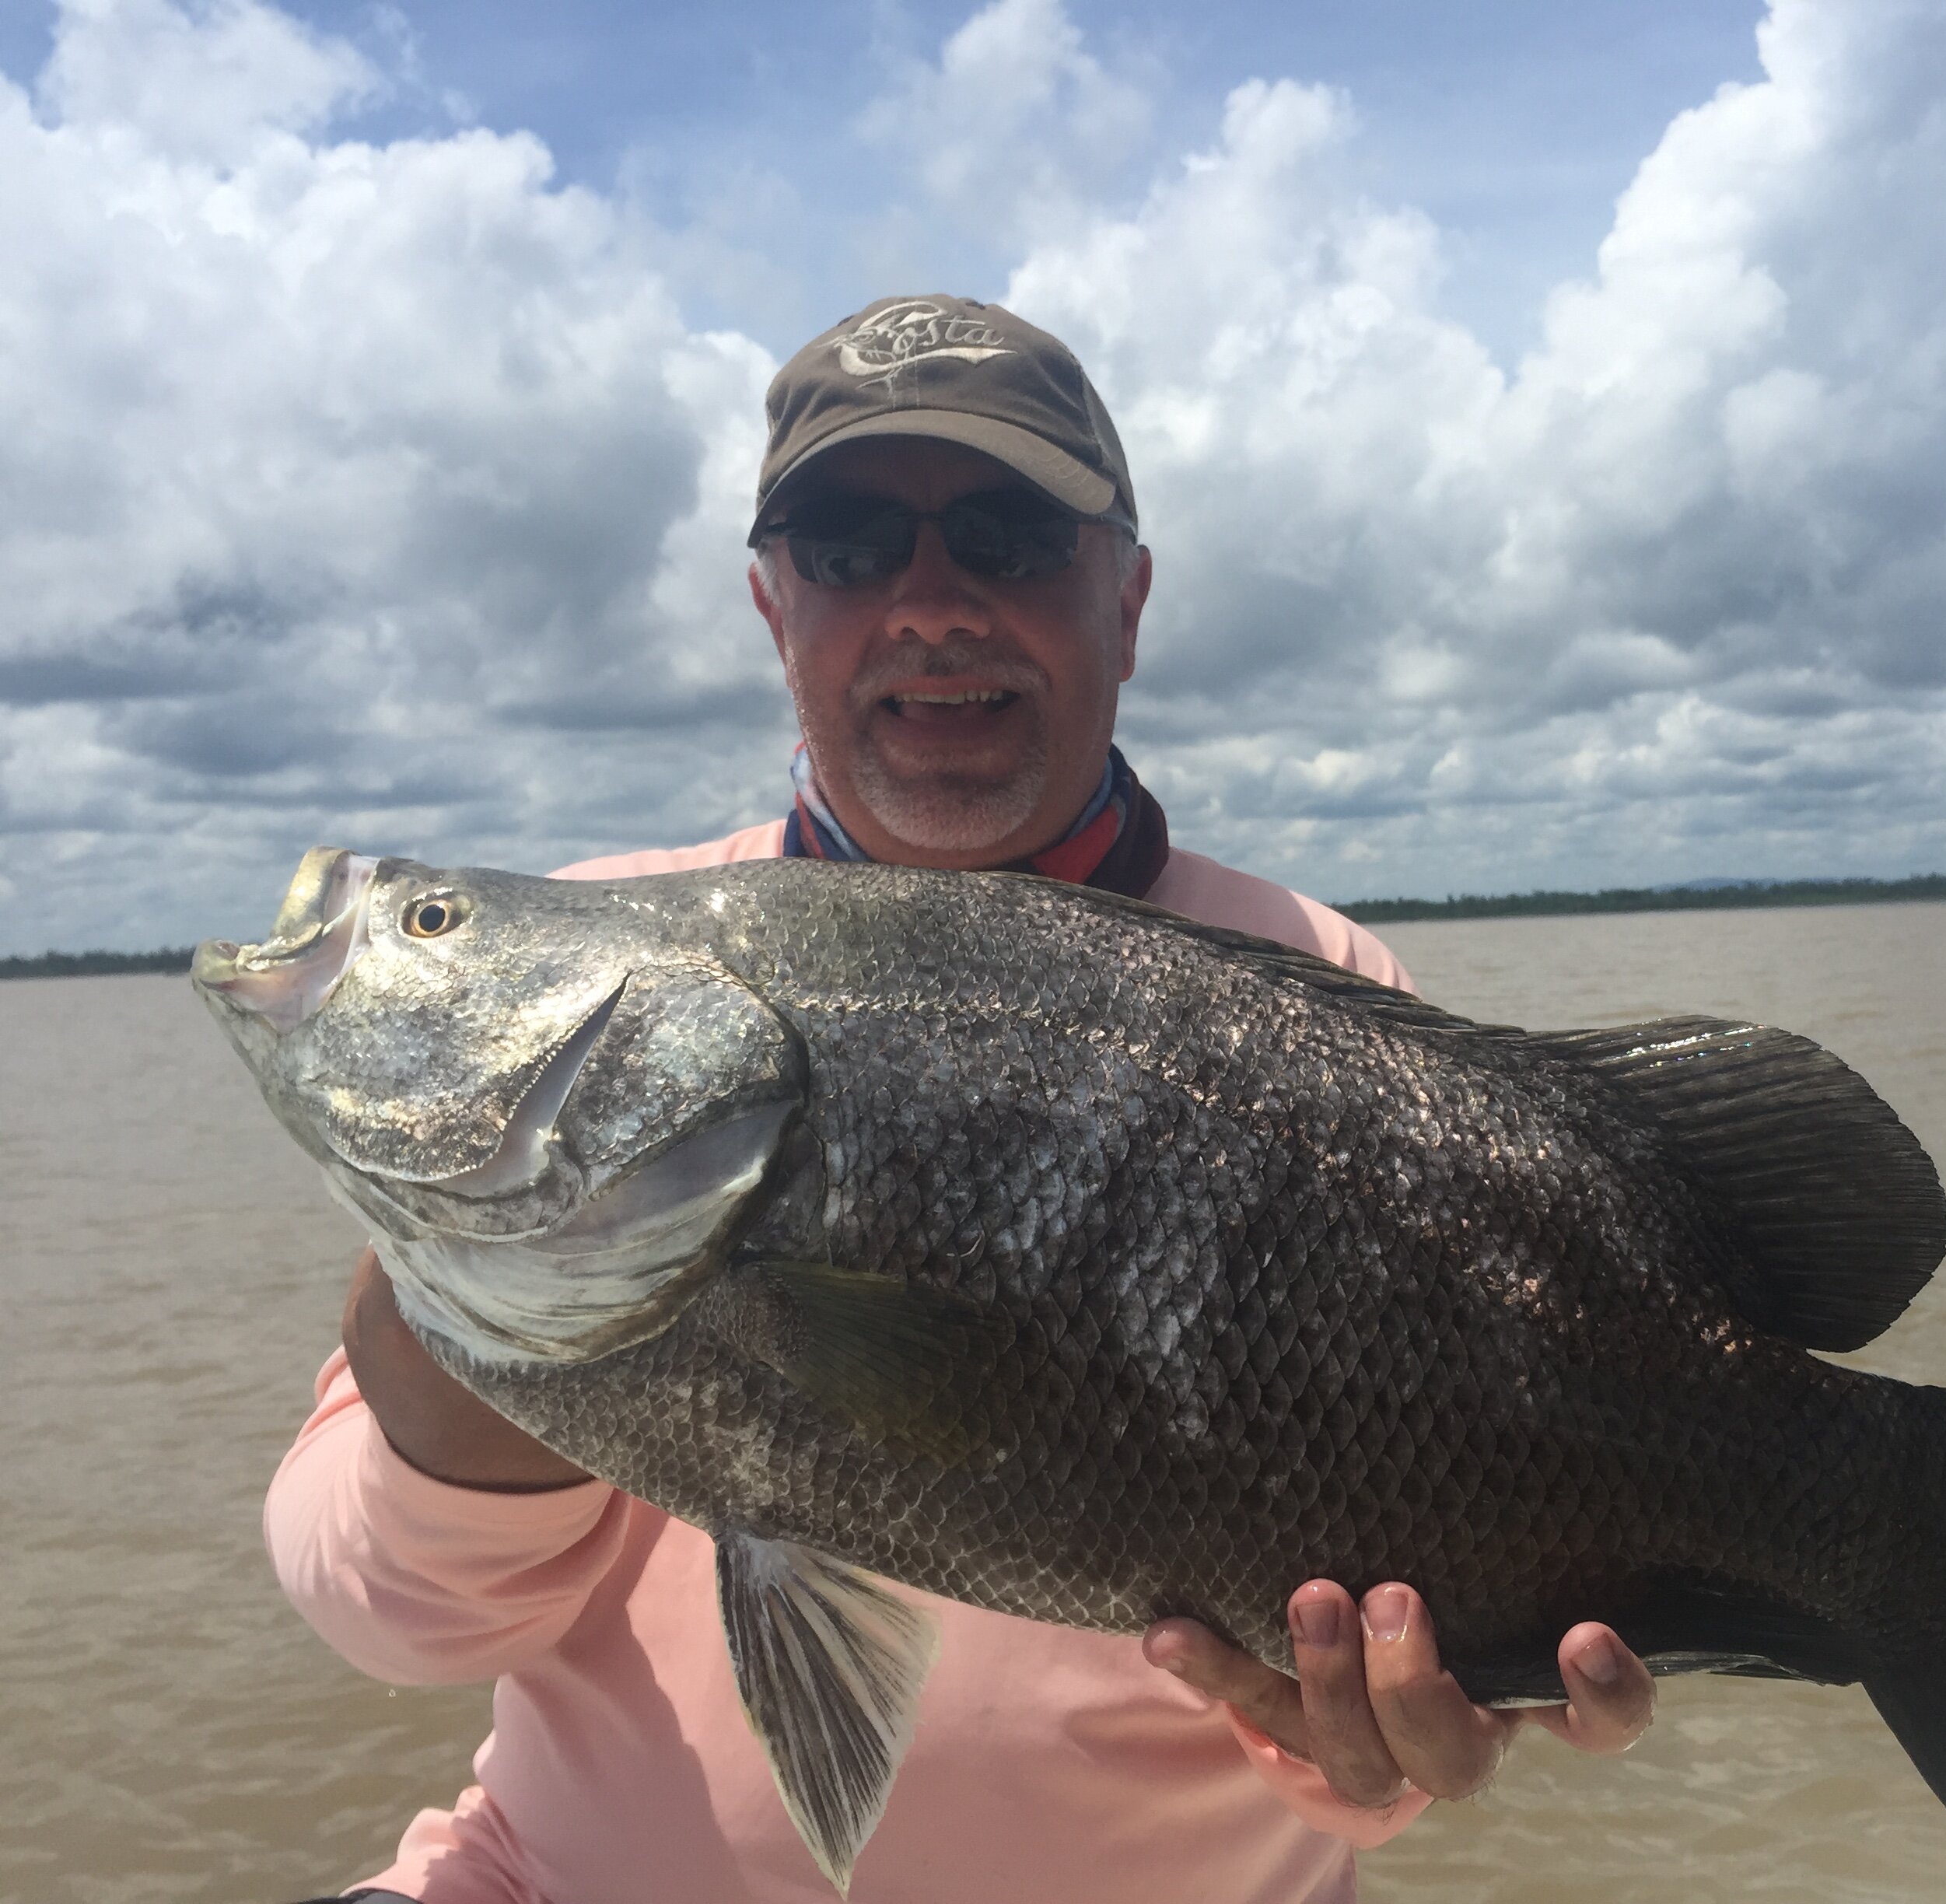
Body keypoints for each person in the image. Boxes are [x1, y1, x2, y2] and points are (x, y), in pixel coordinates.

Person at [271, 294, 1655, 1904]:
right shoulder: (607, 968)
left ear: (1125, 599)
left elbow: (1364, 1762)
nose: (930, 603)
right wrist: (480, 1301)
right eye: (852, 543)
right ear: (773, 607)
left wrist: (1369, 1741)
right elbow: (389, 1621)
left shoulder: (1321, 991)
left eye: (1006, 533)